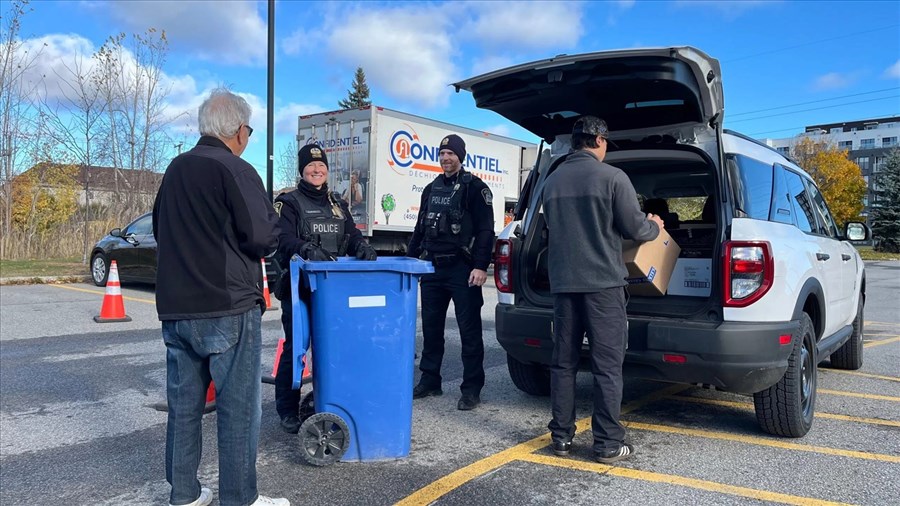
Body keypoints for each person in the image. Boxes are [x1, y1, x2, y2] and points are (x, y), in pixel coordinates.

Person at [153, 88, 289, 506]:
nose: (248, 136)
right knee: (238, 412)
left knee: (185, 407)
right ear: (237, 129)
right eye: (249, 128)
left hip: (177, 308)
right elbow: (262, 237)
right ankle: (239, 498)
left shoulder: (175, 169)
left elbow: (160, 229)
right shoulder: (236, 169)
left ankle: (185, 494)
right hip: (226, 306)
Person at [541, 116, 664, 464]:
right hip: (603, 287)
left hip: (564, 286)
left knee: (563, 364)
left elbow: (552, 227)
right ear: (599, 141)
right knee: (607, 367)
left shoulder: (551, 181)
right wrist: (654, 226)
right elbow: (636, 229)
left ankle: (561, 438)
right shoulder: (612, 178)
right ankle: (608, 443)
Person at [273, 143, 377, 434]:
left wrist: (361, 245)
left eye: (321, 167)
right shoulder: (288, 202)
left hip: (334, 291)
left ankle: (331, 401)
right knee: (297, 347)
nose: (317, 171)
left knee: (335, 347)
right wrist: (305, 249)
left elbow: (351, 233)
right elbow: (281, 239)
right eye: (311, 167)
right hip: (301, 289)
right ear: (302, 171)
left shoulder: (337, 202)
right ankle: (286, 408)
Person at [407, 134, 494, 411]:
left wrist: (480, 266)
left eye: (451, 154)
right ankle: (430, 381)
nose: (446, 158)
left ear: (461, 156)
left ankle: (471, 389)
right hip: (432, 268)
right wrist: (408, 262)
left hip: (463, 270)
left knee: (469, 332)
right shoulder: (431, 188)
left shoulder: (475, 188)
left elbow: (485, 231)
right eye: (442, 153)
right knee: (431, 330)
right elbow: (420, 228)